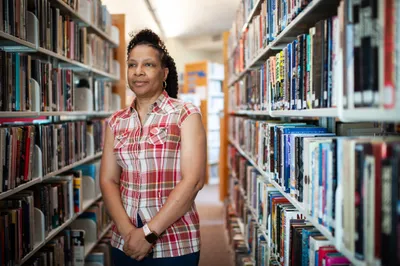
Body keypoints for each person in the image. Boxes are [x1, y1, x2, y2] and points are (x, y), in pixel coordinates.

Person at [99, 28, 207, 266]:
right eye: (132, 65)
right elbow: (108, 180)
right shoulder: (115, 121)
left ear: (164, 72)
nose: (138, 72)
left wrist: (148, 233)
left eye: (148, 65)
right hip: (124, 241)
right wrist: (130, 232)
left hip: (174, 242)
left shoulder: (185, 114)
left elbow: (193, 181)